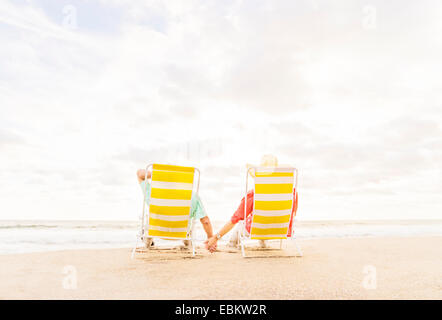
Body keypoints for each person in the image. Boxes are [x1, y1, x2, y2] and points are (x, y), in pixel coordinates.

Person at [205, 155, 298, 252]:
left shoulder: (254, 195)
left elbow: (234, 219)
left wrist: (215, 238)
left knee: (241, 225)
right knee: (267, 216)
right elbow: (293, 213)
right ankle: (263, 243)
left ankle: (231, 244)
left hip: (258, 230)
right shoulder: (292, 193)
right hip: (282, 229)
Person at [137, 168, 215, 248]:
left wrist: (159, 175)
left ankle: (148, 244)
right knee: (187, 222)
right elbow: (206, 221)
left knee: (149, 218)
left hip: (156, 231)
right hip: (182, 233)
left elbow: (140, 174)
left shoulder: (154, 193)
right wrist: (210, 237)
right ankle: (188, 244)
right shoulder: (192, 196)